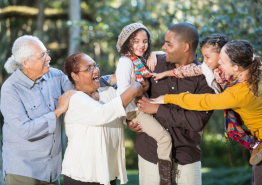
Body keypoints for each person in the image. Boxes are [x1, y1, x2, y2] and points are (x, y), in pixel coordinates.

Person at [153, 40, 262, 185]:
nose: (220, 64)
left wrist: (168, 98)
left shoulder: (238, 94)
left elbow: (203, 101)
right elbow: (254, 57)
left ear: (236, 67)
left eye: (222, 62)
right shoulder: (256, 68)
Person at [0, 35, 113, 185]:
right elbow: (25, 130)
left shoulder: (55, 76)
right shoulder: (10, 89)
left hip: (51, 171)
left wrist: (116, 79)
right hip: (23, 171)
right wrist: (57, 111)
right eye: (42, 55)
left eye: (46, 52)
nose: (48, 58)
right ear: (26, 63)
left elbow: (81, 86)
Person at [128, 22, 214, 185]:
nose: (164, 47)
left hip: (186, 158)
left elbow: (197, 121)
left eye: (168, 44)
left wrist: (157, 109)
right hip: (150, 155)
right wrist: (130, 120)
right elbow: (133, 95)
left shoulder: (206, 78)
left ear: (185, 47)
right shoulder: (154, 65)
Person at [61, 53, 143, 185]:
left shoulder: (107, 91)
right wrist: (133, 89)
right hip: (81, 175)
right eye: (88, 68)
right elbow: (102, 114)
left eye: (95, 66)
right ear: (75, 76)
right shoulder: (74, 98)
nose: (95, 70)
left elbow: (118, 112)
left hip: (107, 172)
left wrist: (127, 121)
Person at [115, 22, 173, 184]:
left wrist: (153, 53)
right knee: (164, 138)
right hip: (134, 111)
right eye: (136, 41)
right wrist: (128, 119)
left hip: (141, 107)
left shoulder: (140, 59)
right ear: (127, 42)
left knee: (159, 137)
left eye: (145, 41)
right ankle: (166, 181)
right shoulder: (125, 62)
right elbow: (123, 92)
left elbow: (165, 52)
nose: (141, 45)